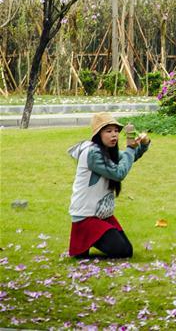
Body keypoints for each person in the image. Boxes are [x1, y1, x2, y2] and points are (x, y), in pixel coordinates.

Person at [68, 111, 151, 259]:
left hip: (101, 214)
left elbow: (128, 158)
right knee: (123, 251)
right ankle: (89, 241)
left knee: (126, 250)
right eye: (108, 131)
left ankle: (92, 242)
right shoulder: (93, 153)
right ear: (98, 134)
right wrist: (130, 148)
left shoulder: (106, 151)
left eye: (116, 131)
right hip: (86, 216)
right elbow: (119, 173)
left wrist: (143, 144)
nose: (114, 135)